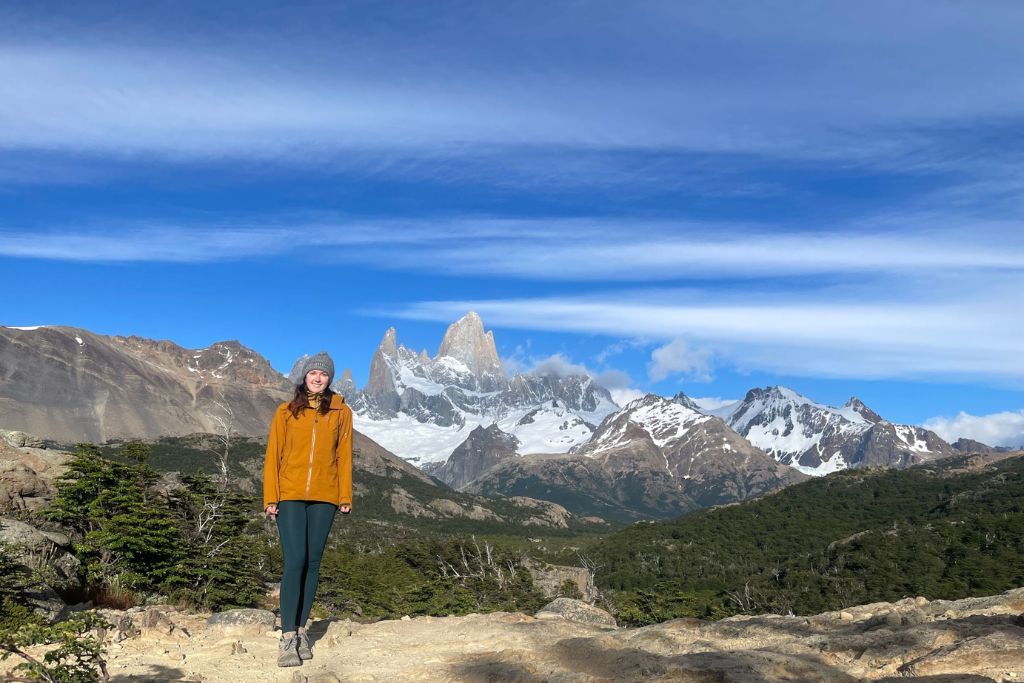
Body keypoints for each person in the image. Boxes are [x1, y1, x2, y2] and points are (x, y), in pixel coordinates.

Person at [263, 352, 353, 668]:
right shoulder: (286, 412)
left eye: (324, 374)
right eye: (313, 373)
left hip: (325, 496)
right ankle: (287, 637)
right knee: (295, 561)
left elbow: (344, 456)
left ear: (330, 379)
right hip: (289, 493)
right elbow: (273, 455)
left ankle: (302, 631)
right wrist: (270, 497)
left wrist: (345, 496)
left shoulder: (341, 412)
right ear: (304, 377)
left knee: (313, 562)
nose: (318, 378)